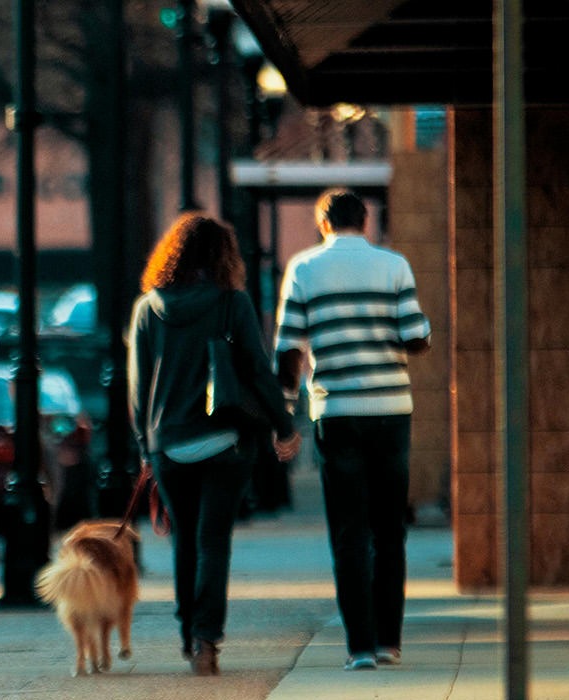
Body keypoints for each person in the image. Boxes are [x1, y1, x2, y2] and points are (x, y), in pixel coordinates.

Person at [127, 212, 299, 677]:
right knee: (213, 542)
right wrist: (284, 427)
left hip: (170, 445)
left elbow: (138, 388)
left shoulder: (149, 308)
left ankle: (187, 633)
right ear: (224, 256)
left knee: (183, 541)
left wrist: (147, 446)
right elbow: (259, 373)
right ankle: (207, 640)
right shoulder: (232, 303)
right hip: (225, 440)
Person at [274, 189, 432, 671]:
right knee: (389, 531)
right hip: (390, 410)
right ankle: (389, 641)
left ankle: (359, 647)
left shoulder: (303, 269)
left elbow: (287, 352)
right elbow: (416, 337)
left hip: (336, 412)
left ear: (323, 223)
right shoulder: (394, 265)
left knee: (348, 532)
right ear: (365, 222)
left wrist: (284, 417)